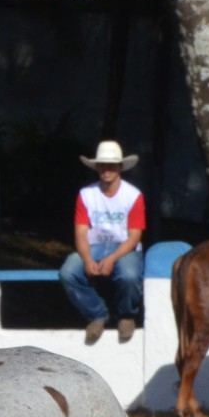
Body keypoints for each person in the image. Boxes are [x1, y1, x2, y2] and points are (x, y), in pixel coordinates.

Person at [60, 139, 146, 345]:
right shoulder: (86, 194)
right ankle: (97, 314)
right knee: (68, 272)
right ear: (97, 167)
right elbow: (80, 232)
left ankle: (126, 315)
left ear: (119, 168)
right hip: (95, 245)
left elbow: (134, 236)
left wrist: (112, 258)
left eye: (111, 165)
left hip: (124, 246)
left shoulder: (133, 196)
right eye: (102, 165)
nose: (106, 170)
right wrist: (87, 257)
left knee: (130, 275)